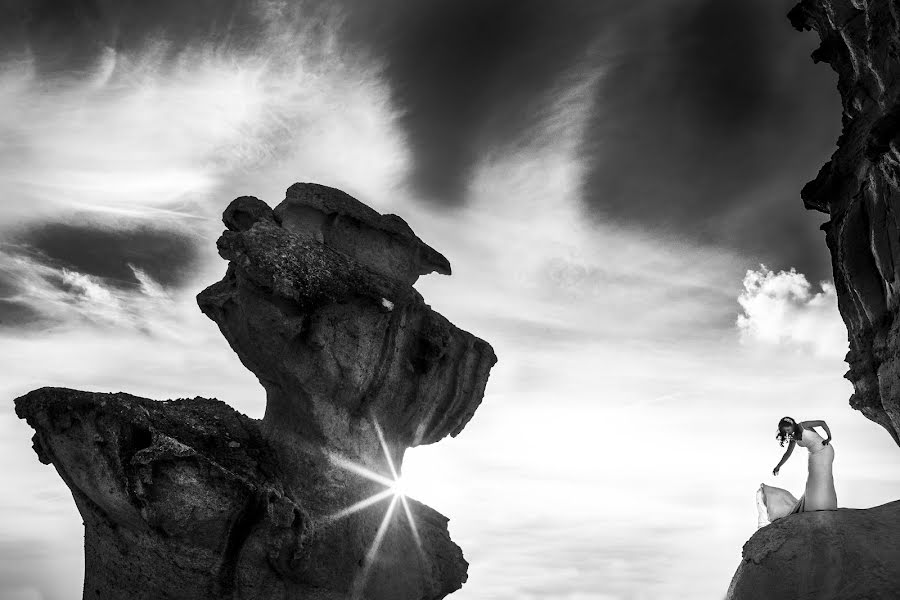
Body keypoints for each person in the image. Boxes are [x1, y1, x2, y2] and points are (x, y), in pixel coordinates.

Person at [755, 416, 837, 527]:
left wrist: (829, 437)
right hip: (813, 456)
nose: (788, 432)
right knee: (814, 481)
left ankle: (825, 504)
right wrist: (778, 466)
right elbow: (788, 453)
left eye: (788, 429)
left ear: (793, 425)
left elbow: (822, 422)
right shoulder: (793, 438)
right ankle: (816, 505)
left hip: (824, 450)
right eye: (785, 431)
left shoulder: (804, 425)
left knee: (823, 477)